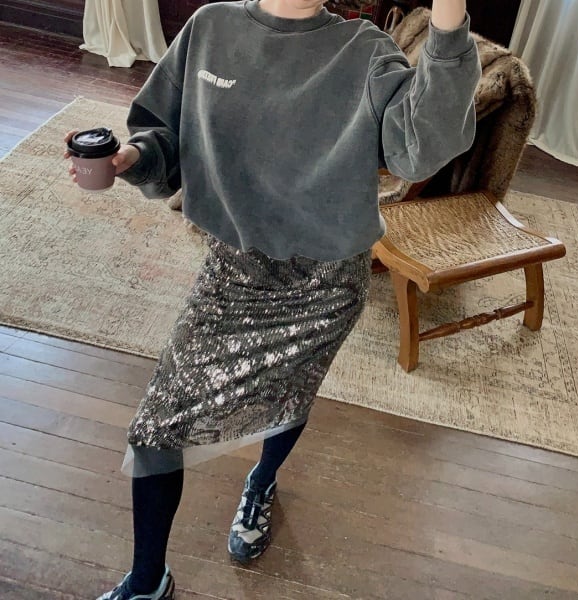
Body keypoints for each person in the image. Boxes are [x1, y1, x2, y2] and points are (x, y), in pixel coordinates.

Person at [65, 0, 480, 598]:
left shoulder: (365, 51)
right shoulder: (211, 28)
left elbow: (424, 146)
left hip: (325, 282)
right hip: (233, 268)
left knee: (290, 392)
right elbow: (165, 136)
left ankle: (262, 481)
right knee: (156, 427)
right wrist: (132, 158)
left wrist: (449, 16)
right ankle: (147, 580)